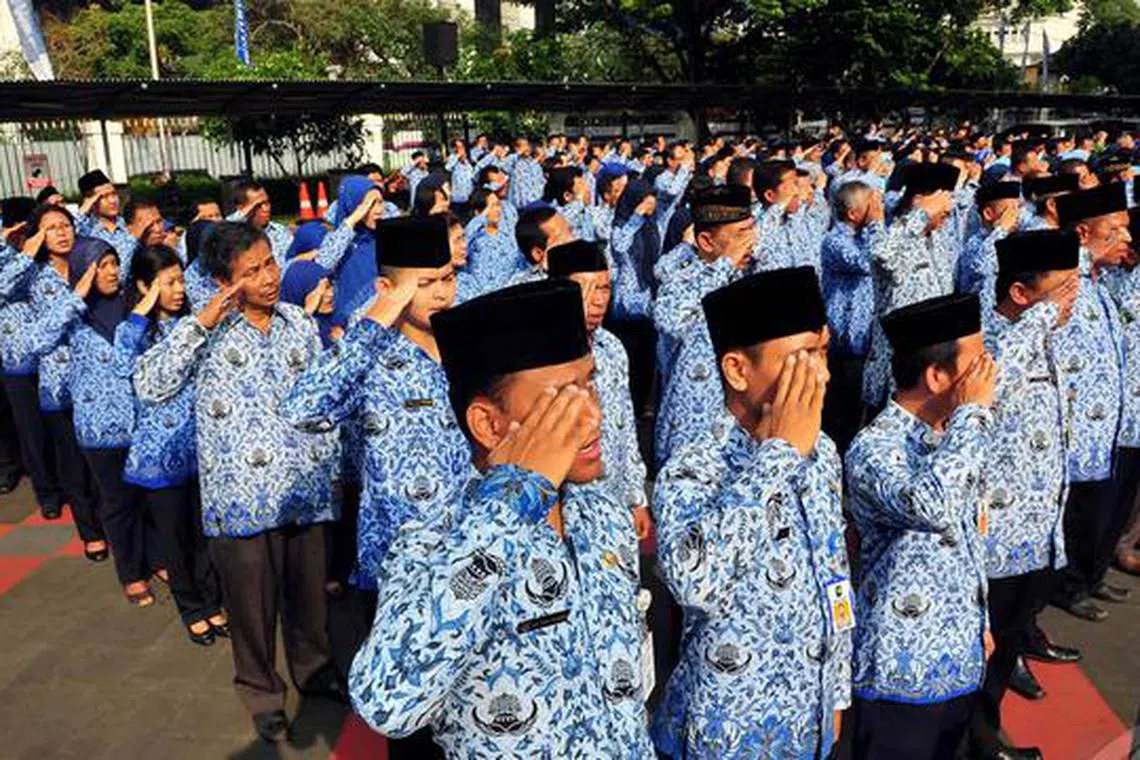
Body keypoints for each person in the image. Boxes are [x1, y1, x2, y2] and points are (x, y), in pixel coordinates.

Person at [350, 279, 655, 758]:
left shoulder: (603, 513)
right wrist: (511, 503)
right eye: (561, 402)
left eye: (590, 384)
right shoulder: (432, 541)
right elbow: (386, 703)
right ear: (488, 424)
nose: (592, 416)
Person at [133, 222, 343, 742]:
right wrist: (200, 323)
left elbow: (322, 399)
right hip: (241, 502)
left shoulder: (297, 322)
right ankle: (261, 691)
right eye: (252, 272)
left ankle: (314, 673)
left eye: (269, 263)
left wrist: (333, 466)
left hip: (303, 490)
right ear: (224, 281)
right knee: (251, 608)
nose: (269, 277)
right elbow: (149, 385)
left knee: (309, 601)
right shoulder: (206, 331)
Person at [280, 215, 468, 759]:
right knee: (409, 718)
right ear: (389, 286)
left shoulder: (467, 344)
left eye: (447, 278)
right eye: (424, 283)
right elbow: (302, 410)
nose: (441, 293)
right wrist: (377, 318)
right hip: (397, 565)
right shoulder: (367, 356)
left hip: (471, 555)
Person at [652, 267, 852, 759]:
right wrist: (777, 455)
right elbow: (693, 583)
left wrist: (837, 687)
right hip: (725, 730)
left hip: (810, 714)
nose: (821, 375)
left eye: (822, 354)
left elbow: (834, 570)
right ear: (738, 370)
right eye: (801, 360)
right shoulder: (692, 469)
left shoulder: (822, 452)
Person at [845, 293, 996, 760]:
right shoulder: (875, 449)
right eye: (977, 363)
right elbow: (932, 505)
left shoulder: (950, 436)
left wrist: (980, 620)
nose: (989, 374)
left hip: (957, 656)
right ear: (936, 376)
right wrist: (974, 414)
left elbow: (968, 537)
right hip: (901, 671)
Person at [966, 230, 1082, 760]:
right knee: (980, 657)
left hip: (1036, 531)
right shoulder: (989, 340)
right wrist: (1041, 319)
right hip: (996, 541)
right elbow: (990, 387)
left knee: (1006, 648)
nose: (1069, 302)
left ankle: (985, 740)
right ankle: (976, 746)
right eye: (1060, 291)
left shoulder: (1040, 334)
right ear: (1019, 293)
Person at [119, 244, 227, 643]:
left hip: (199, 449)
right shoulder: (136, 332)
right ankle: (190, 607)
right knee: (174, 538)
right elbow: (121, 366)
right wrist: (140, 310)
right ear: (146, 287)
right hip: (158, 456)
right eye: (168, 282)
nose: (179, 289)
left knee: (203, 535)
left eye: (181, 280)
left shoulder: (194, 325)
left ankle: (213, 601)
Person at [35, 238, 143, 601]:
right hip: (99, 429)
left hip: (140, 423)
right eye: (101, 265)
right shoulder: (73, 316)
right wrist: (76, 295)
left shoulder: (131, 307)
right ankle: (131, 572)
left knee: (147, 500)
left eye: (114, 263)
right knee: (117, 502)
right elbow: (38, 341)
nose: (111, 271)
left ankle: (155, 558)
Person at [1050, 183, 1130, 622]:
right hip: (1070, 433)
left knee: (1096, 514)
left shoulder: (1097, 280)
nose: (1127, 238)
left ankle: (1084, 579)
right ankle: (1058, 596)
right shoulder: (1063, 282)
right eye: (1115, 229)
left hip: (1103, 428)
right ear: (1083, 232)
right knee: (1067, 522)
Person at [545, 240, 651, 538]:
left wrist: (636, 499)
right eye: (584, 290)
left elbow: (625, 428)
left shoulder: (612, 348)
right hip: (569, 508)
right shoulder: (545, 360)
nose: (597, 300)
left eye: (604, 288)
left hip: (615, 499)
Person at [20, 207, 106, 557]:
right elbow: (41, 336)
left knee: (102, 461)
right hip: (60, 385)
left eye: (66, 225)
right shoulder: (35, 278)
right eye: (51, 228)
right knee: (73, 463)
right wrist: (76, 298)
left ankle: (111, 523)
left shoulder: (90, 264)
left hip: (96, 380)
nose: (62, 233)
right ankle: (90, 531)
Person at [654, 184, 756, 468]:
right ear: (706, 241)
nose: (751, 242)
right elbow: (672, 320)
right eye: (740, 234)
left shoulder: (751, 277)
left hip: (744, 429)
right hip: (693, 434)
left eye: (751, 230)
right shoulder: (680, 281)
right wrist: (723, 268)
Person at [861, 162, 959, 410]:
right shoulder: (893, 235)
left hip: (934, 359)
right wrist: (923, 214)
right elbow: (884, 255)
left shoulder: (936, 239)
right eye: (942, 205)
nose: (947, 211)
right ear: (918, 201)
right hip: (898, 366)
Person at [820, 180, 885, 453]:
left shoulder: (865, 236)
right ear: (853, 213)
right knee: (842, 415)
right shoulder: (835, 240)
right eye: (870, 206)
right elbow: (868, 261)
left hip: (868, 341)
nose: (878, 210)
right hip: (846, 343)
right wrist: (875, 224)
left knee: (865, 409)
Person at [955, 181, 1021, 319]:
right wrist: (1001, 229)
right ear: (988, 214)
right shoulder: (976, 244)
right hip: (981, 321)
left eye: (1018, 209)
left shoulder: (1012, 240)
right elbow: (982, 267)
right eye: (1009, 211)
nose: (1015, 216)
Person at [74, 170, 139, 274]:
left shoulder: (129, 223)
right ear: (92, 201)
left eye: (114, 194)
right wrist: (84, 208)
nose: (112, 201)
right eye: (104, 197)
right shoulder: (85, 230)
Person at [463, 188, 519, 296]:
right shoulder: (474, 235)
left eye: (498, 205)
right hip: (479, 295)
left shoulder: (507, 235)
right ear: (478, 212)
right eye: (492, 206)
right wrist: (481, 217)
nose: (497, 210)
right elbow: (464, 241)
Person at [227, 180, 293, 265]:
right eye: (258, 206)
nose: (266, 209)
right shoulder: (232, 233)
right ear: (243, 209)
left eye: (267, 203)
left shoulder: (280, 231)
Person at [505, 204, 573, 286]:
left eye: (570, 231)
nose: (574, 240)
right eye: (563, 239)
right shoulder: (520, 289)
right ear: (538, 253)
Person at [445, 139, 475, 207]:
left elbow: (472, 174)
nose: (460, 149)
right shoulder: (452, 158)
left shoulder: (468, 160)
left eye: (462, 147)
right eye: (458, 147)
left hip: (469, 196)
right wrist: (458, 156)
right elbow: (447, 167)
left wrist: (464, 161)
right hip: (457, 197)